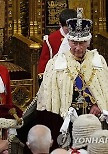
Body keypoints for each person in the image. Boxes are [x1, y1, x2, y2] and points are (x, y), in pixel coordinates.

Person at [35, 7, 108, 151]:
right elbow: (48, 100)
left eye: (82, 43)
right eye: (74, 43)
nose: (78, 48)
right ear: (68, 41)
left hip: (93, 120)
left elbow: (104, 92)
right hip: (66, 122)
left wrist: (99, 106)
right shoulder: (56, 64)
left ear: (88, 42)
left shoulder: (98, 61)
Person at [37, 8, 77, 82]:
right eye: (67, 30)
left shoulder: (80, 37)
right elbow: (44, 61)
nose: (70, 32)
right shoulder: (51, 39)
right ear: (60, 24)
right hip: (57, 77)